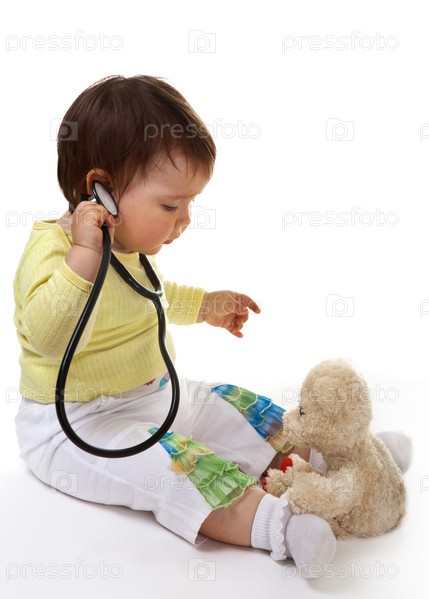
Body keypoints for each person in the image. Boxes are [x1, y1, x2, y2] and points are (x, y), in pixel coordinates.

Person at [13, 75, 409, 579]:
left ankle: (348, 460)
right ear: (102, 190)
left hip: (153, 396)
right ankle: (280, 527)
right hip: (77, 426)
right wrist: (85, 257)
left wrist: (205, 305)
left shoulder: (126, 246)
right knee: (176, 467)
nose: (185, 220)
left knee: (233, 406)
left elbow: (152, 297)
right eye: (171, 205)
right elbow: (51, 338)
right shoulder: (56, 253)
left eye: (189, 204)